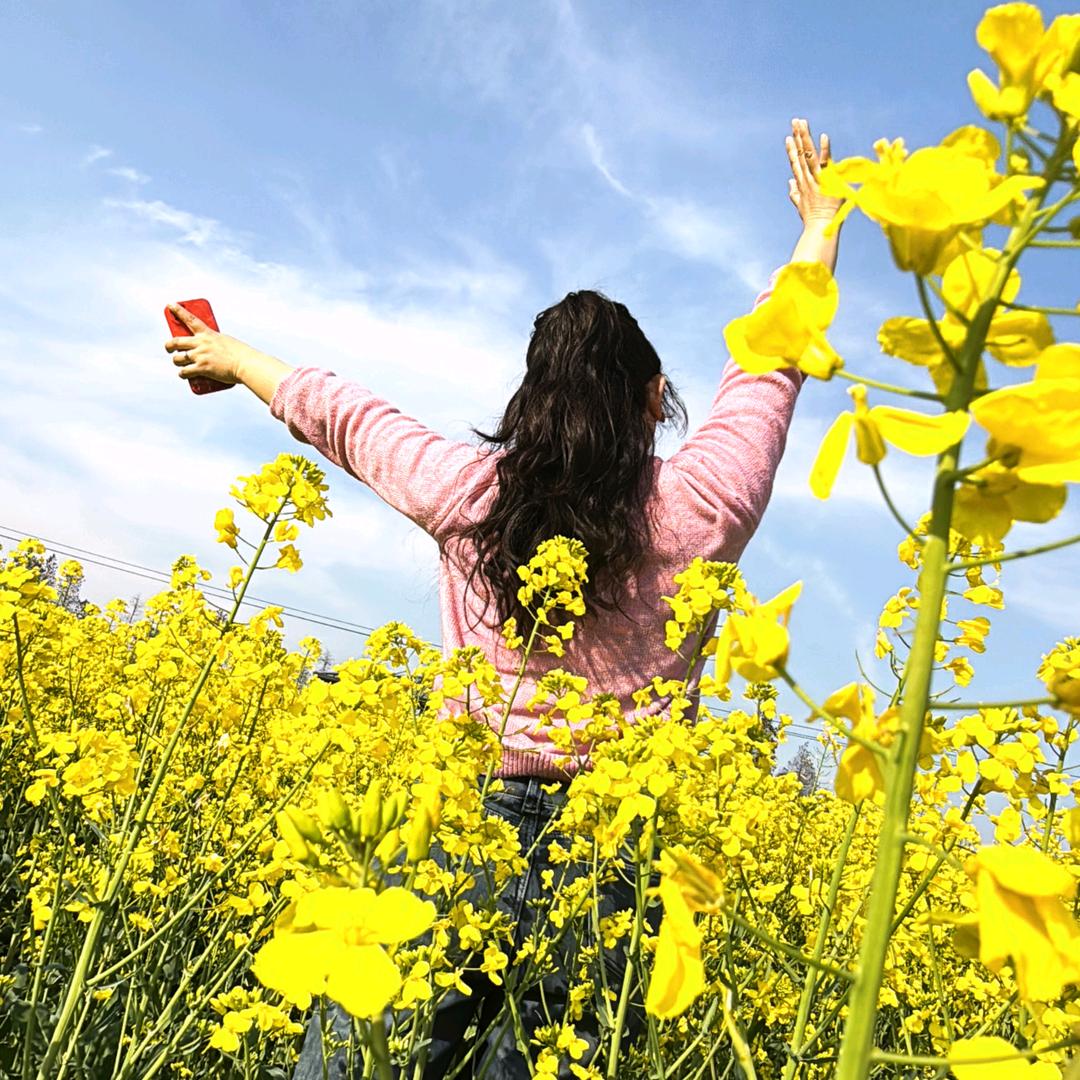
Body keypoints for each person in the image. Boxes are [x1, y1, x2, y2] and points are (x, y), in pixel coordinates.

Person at [164, 117, 844, 1078]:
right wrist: (817, 232)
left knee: (368, 1062)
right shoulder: (702, 506)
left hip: (460, 826)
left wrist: (233, 357)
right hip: (613, 860)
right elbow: (768, 370)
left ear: (530, 400)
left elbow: (349, 417)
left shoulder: (470, 492)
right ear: (655, 397)